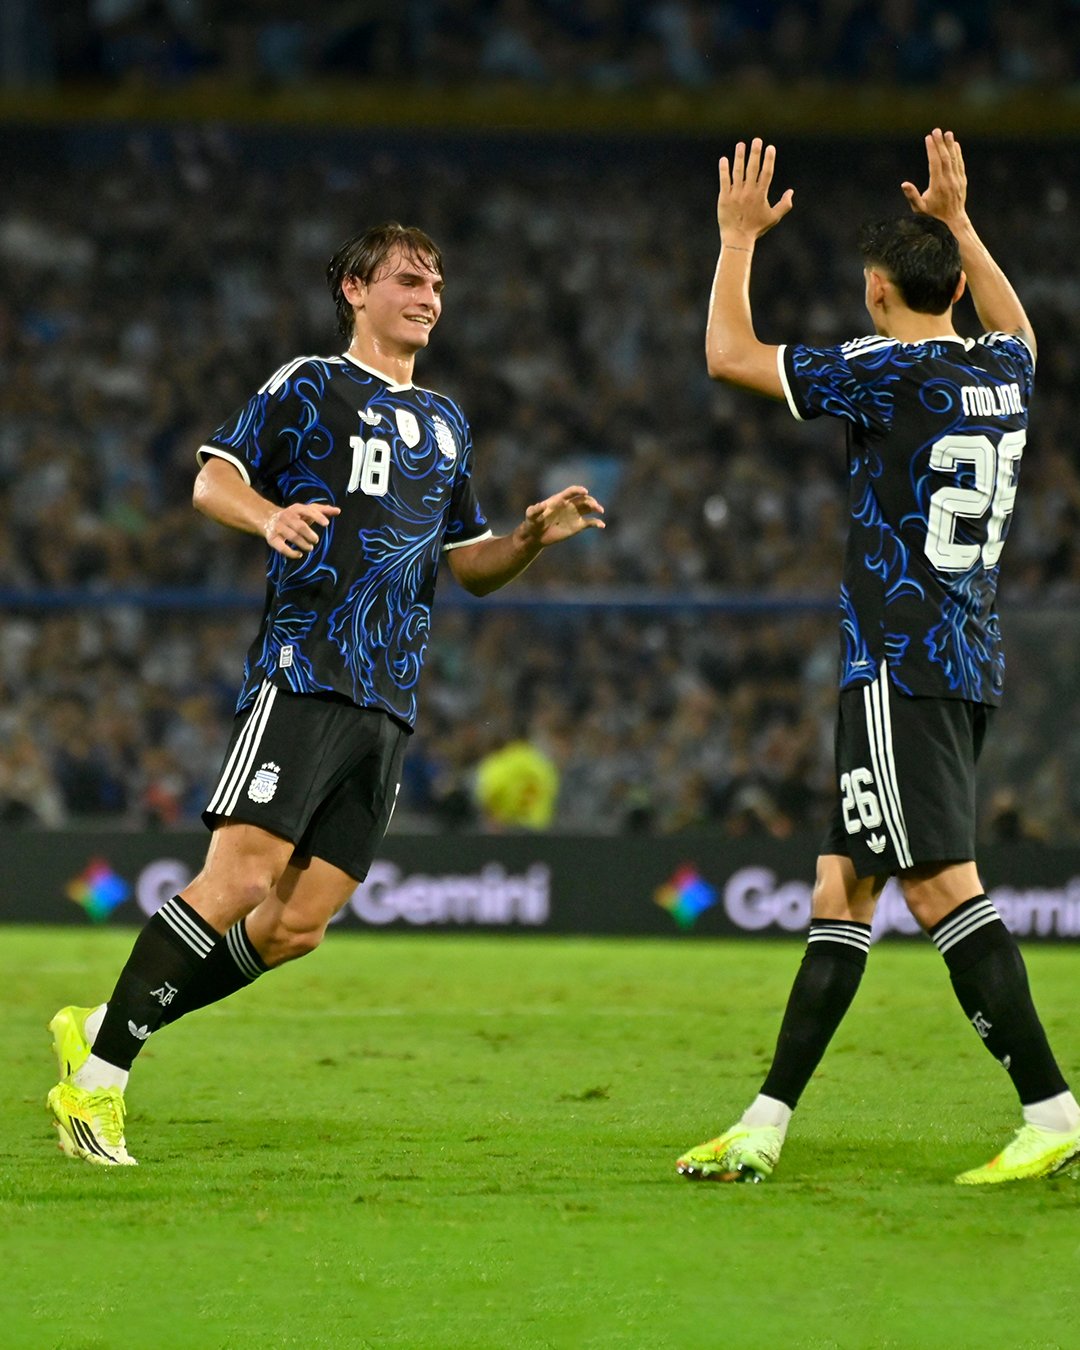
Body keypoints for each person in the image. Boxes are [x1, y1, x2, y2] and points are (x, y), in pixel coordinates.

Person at [47, 221, 604, 1166]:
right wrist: (269, 516)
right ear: (353, 287)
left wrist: (529, 539)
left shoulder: (449, 421)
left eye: (437, 283)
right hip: (306, 671)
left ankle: (106, 1020)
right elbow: (212, 479)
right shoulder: (309, 382)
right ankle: (94, 1090)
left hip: (388, 699)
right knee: (240, 881)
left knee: (296, 924)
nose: (429, 296)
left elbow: (467, 564)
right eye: (409, 280)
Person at [676, 131, 1080, 1186]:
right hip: (964, 655)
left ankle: (1053, 1109)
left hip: (900, 662)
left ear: (877, 291)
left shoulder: (884, 370)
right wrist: (960, 221)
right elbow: (1021, 324)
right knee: (841, 890)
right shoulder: (1003, 369)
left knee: (942, 887)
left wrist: (734, 240)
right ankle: (765, 1124)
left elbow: (727, 354)